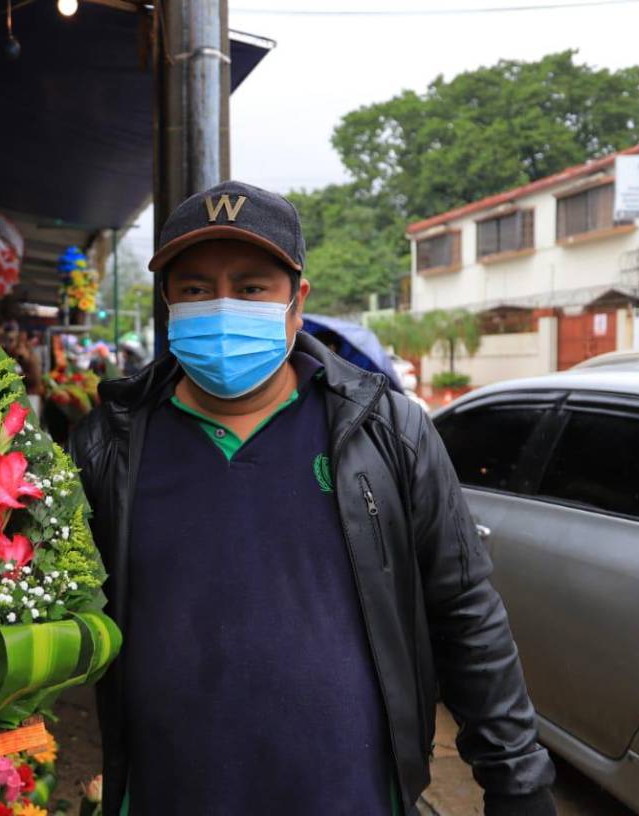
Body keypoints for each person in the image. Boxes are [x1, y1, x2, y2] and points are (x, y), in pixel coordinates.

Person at [70, 181, 555, 815]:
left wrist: (516, 779)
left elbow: (464, 610)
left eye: (250, 288)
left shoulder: (388, 432)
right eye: (195, 289)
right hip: (170, 793)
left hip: (350, 797)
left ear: (297, 299)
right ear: (167, 303)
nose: (222, 307)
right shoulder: (108, 446)